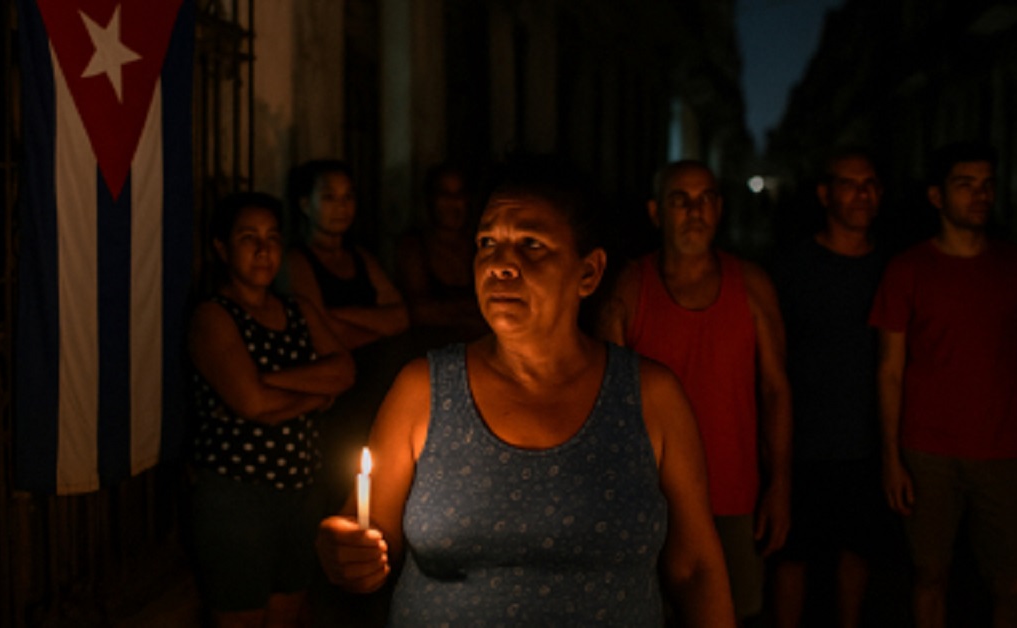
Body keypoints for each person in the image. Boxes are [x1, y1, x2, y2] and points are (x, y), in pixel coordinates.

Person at [315, 157, 735, 626]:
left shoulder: (650, 397)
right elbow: (368, 532)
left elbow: (696, 569)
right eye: (487, 243)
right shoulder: (424, 390)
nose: (499, 265)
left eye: (531, 245)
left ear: (589, 273)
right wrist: (348, 553)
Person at [596, 159, 792, 623]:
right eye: (680, 200)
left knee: (731, 613)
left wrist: (780, 483)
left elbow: (775, 390)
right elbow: (605, 402)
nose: (695, 211)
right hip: (651, 499)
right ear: (656, 212)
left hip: (733, 494)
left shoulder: (752, 285)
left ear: (720, 209)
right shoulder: (629, 288)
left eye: (705, 199)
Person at [871, 142, 1017, 628]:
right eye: (965, 185)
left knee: (1015, 583)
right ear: (937, 196)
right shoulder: (907, 270)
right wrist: (891, 458)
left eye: (987, 184)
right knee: (931, 575)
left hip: (1007, 449)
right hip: (928, 451)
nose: (980, 195)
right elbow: (889, 369)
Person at [186, 192, 356, 628]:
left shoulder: (298, 309)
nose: (264, 250)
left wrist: (269, 378)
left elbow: (343, 370)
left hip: (300, 492)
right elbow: (252, 404)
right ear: (221, 248)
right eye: (248, 238)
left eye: (272, 237)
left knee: (288, 613)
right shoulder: (213, 316)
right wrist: (312, 392)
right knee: (242, 616)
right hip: (238, 497)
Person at [771, 149, 890, 628]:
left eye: (870, 184)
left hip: (867, 441)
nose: (862, 194)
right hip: (803, 441)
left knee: (857, 552)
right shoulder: (792, 269)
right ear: (824, 194)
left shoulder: (893, 268)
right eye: (849, 183)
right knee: (792, 556)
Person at [280, 159, 411, 512]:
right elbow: (318, 329)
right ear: (305, 204)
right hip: (335, 404)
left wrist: (338, 317)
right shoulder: (295, 260)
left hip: (375, 389)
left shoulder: (361, 257)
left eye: (348, 197)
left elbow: (400, 318)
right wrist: (371, 323)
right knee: (337, 492)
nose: (342, 207)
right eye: (330, 197)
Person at [395, 163, 487, 348]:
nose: (453, 203)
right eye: (445, 195)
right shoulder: (415, 246)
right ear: (430, 199)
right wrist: (476, 310)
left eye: (459, 194)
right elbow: (418, 312)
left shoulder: (480, 244)